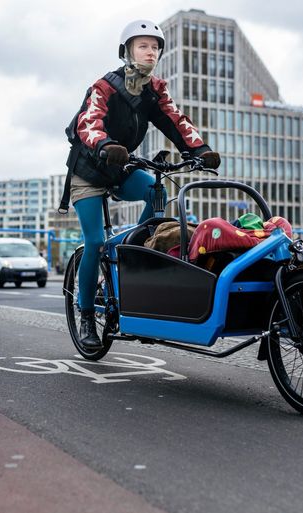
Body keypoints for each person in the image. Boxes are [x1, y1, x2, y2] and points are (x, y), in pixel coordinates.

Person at [63, 19, 220, 350]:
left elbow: (175, 120)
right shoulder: (104, 87)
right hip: (89, 170)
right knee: (93, 242)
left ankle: (136, 251)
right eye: (143, 46)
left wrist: (199, 150)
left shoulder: (156, 90)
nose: (151, 52)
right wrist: (104, 145)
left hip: (120, 166)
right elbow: (87, 123)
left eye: (155, 47)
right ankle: (87, 313)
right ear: (127, 52)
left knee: (155, 191)